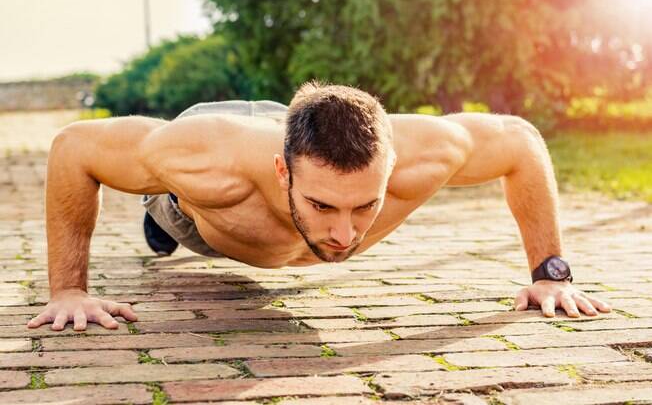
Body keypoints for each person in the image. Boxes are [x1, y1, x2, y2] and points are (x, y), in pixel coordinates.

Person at [28, 82, 611, 331]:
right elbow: (73, 149)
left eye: (366, 207)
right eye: (323, 205)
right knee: (166, 203)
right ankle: (160, 221)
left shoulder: (426, 156)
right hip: (201, 211)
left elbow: (521, 141)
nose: (343, 234)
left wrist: (550, 274)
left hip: (278, 151)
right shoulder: (204, 161)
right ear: (284, 172)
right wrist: (68, 291)